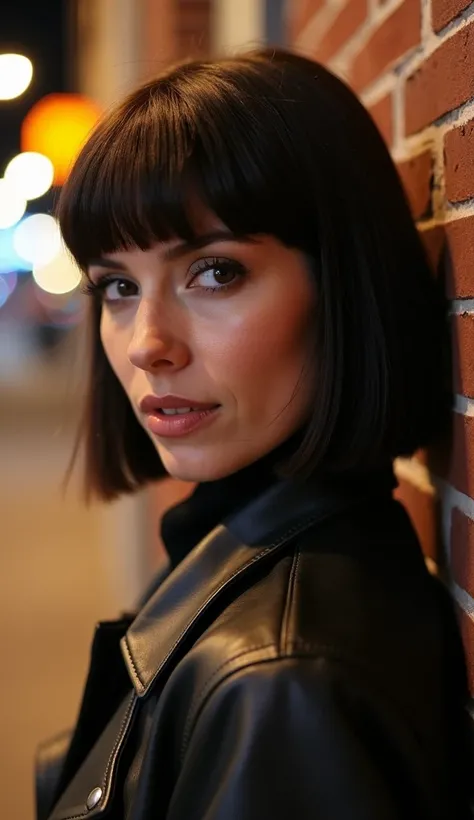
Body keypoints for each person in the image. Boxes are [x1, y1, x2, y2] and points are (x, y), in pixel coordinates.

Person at [36, 48, 470, 820]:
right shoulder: (250, 557)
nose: (146, 343)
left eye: (214, 272)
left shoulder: (284, 683)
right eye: (119, 287)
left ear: (341, 281)